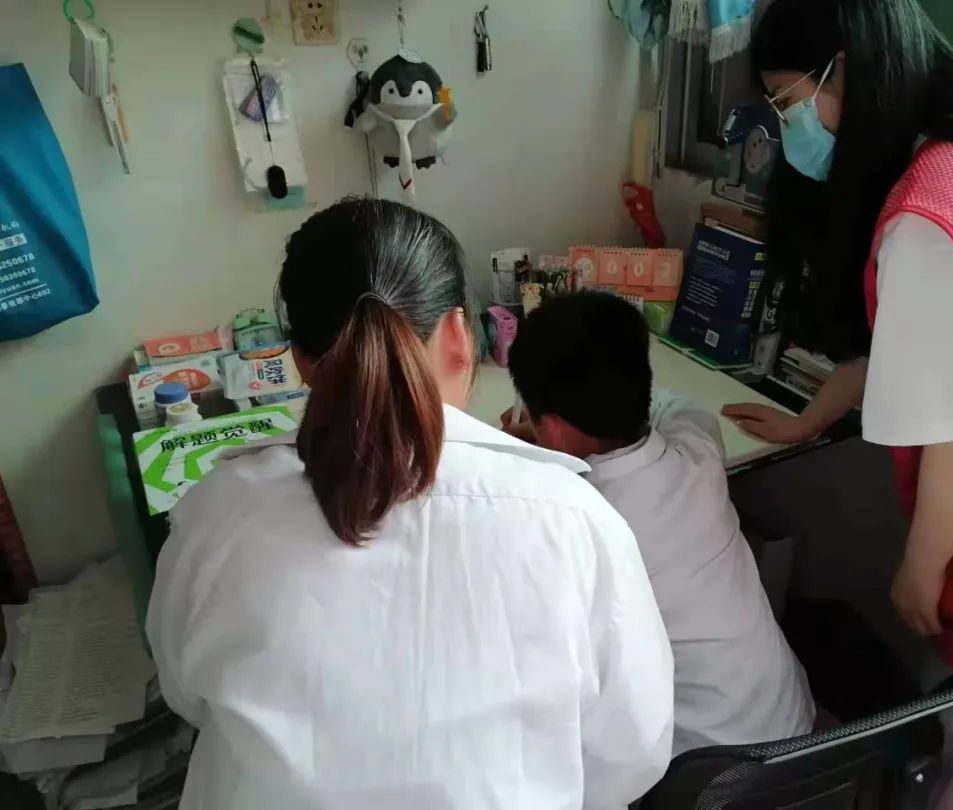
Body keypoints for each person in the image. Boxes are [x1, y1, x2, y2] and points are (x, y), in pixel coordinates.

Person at [146, 199, 675, 810]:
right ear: (458, 336)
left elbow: (186, 692)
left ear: (299, 362)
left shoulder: (217, 511)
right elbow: (633, 752)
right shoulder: (573, 518)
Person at [721, 1, 953, 806]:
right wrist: (813, 416)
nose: (789, 132)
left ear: (847, 71)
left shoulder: (932, 215)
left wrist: (921, 571)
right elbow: (946, 343)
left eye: (788, 104)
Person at [506, 291, 815, 757]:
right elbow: (677, 407)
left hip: (709, 770)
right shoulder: (698, 448)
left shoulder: (578, 524)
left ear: (551, 427)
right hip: (793, 726)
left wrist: (531, 447)